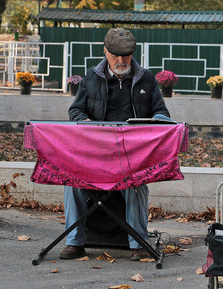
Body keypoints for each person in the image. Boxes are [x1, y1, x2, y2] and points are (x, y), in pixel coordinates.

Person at [59, 28, 170, 261]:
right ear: (105, 51)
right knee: (72, 184)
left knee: (136, 184)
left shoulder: (147, 79)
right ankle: (75, 242)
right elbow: (75, 110)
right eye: (115, 55)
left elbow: (161, 111)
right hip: (95, 154)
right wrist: (85, 121)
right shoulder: (91, 77)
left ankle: (138, 243)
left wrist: (159, 121)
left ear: (133, 53)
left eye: (127, 55)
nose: (121, 61)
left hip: (131, 156)